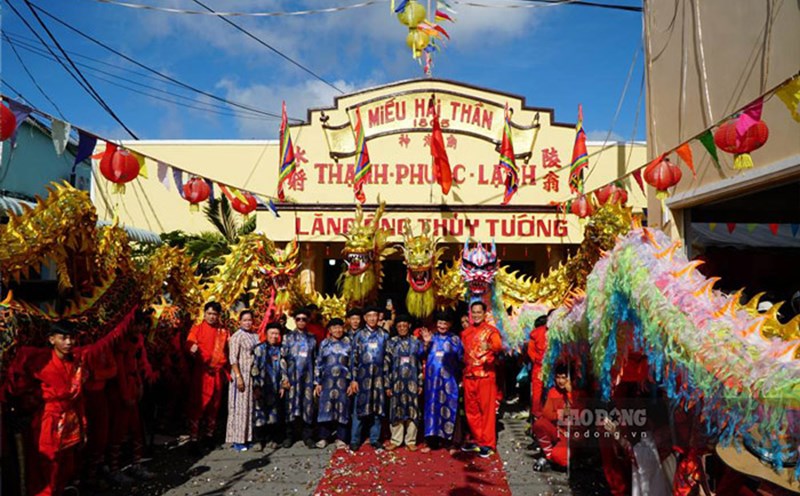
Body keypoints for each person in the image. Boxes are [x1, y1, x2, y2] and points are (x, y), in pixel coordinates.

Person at [36, 321, 86, 496]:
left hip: (70, 418)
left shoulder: (76, 363)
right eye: (63, 338)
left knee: (67, 465)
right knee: (50, 466)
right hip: (49, 420)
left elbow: (79, 397)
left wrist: (83, 423)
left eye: (71, 338)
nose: (68, 342)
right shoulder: (41, 362)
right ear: (51, 339)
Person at [460, 301, 504, 458]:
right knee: (471, 410)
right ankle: (478, 439)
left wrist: (489, 347)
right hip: (469, 375)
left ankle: (488, 443)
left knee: (487, 411)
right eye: (474, 312)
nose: (476, 315)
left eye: (479, 312)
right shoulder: (466, 333)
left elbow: (499, 347)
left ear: (485, 314)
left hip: (485, 375)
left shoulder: (491, 331)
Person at [186, 301, 230, 447]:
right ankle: (194, 439)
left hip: (217, 373)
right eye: (209, 313)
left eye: (214, 314)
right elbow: (190, 341)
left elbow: (228, 349)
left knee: (214, 405)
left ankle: (209, 436)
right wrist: (191, 347)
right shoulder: (197, 328)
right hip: (201, 374)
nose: (211, 317)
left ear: (218, 315)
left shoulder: (223, 331)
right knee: (197, 404)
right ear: (204, 314)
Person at [420, 310, 463, 453]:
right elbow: (420, 354)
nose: (442, 326)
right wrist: (426, 343)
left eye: (445, 323)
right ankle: (431, 442)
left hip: (449, 382)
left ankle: (452, 443)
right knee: (432, 410)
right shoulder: (431, 338)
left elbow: (461, 359)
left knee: (450, 408)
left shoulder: (455, 340)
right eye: (440, 323)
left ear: (450, 324)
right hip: (432, 383)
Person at [348, 305, 390, 451]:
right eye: (369, 316)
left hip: (379, 378)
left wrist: (387, 381)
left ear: (379, 317)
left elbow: (387, 359)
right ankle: (355, 440)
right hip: (362, 378)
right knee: (359, 410)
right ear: (365, 318)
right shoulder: (359, 335)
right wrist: (353, 380)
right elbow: (353, 359)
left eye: (375, 316)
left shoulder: (384, 335)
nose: (372, 319)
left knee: (377, 410)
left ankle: (375, 439)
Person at [384, 314, 425, 451]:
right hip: (396, 383)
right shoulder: (391, 342)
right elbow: (386, 365)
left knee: (413, 411)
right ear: (396, 327)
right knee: (396, 410)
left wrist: (420, 383)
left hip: (412, 383)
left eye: (404, 325)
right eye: (399, 326)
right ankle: (396, 439)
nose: (402, 328)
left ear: (409, 326)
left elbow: (420, 364)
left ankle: (411, 440)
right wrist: (387, 385)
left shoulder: (416, 342)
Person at [532, 362, 582, 472]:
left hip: (573, 436)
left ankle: (575, 458)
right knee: (539, 424)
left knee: (560, 457)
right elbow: (546, 414)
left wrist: (570, 394)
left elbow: (580, 417)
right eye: (558, 377)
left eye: (564, 378)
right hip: (558, 431)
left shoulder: (578, 393)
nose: (560, 381)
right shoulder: (553, 392)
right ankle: (549, 457)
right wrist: (560, 414)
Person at [281, 307, 317, 448]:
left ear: (307, 321)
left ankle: (308, 436)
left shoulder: (312, 338)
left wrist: (316, 380)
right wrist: (284, 377)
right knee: (290, 406)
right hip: (292, 378)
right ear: (295, 321)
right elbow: (282, 359)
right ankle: (289, 436)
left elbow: (316, 360)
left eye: (304, 319)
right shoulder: (288, 337)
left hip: (307, 378)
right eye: (298, 319)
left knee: (307, 406)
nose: (301, 321)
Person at [314, 318, 352, 449]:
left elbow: (353, 364)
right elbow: (319, 363)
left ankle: (341, 438)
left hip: (343, 382)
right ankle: (324, 437)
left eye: (340, 327)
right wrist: (317, 382)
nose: (338, 330)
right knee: (325, 408)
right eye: (334, 328)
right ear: (330, 330)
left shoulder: (348, 343)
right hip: (327, 382)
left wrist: (352, 382)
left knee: (342, 409)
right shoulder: (324, 344)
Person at [226, 310, 259, 451]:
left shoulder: (254, 335)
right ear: (239, 321)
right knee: (239, 408)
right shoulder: (236, 337)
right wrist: (238, 376)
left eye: (249, 320)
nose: (247, 323)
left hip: (252, 375)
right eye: (244, 320)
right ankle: (238, 440)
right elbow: (233, 359)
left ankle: (247, 437)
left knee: (249, 407)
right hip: (241, 375)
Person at [252, 322, 284, 450]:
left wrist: (283, 384)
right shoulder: (259, 349)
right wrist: (256, 386)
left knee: (273, 414)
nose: (274, 336)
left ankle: (272, 439)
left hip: (275, 387)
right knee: (259, 414)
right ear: (266, 334)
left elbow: (284, 368)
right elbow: (254, 368)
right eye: (272, 333)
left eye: (277, 333)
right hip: (261, 386)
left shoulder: (281, 349)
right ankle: (259, 441)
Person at [527, 313, 549, 421]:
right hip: (550, 366)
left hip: (539, 366)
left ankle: (537, 414)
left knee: (537, 391)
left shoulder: (535, 333)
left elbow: (530, 351)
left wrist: (537, 361)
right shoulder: (556, 331)